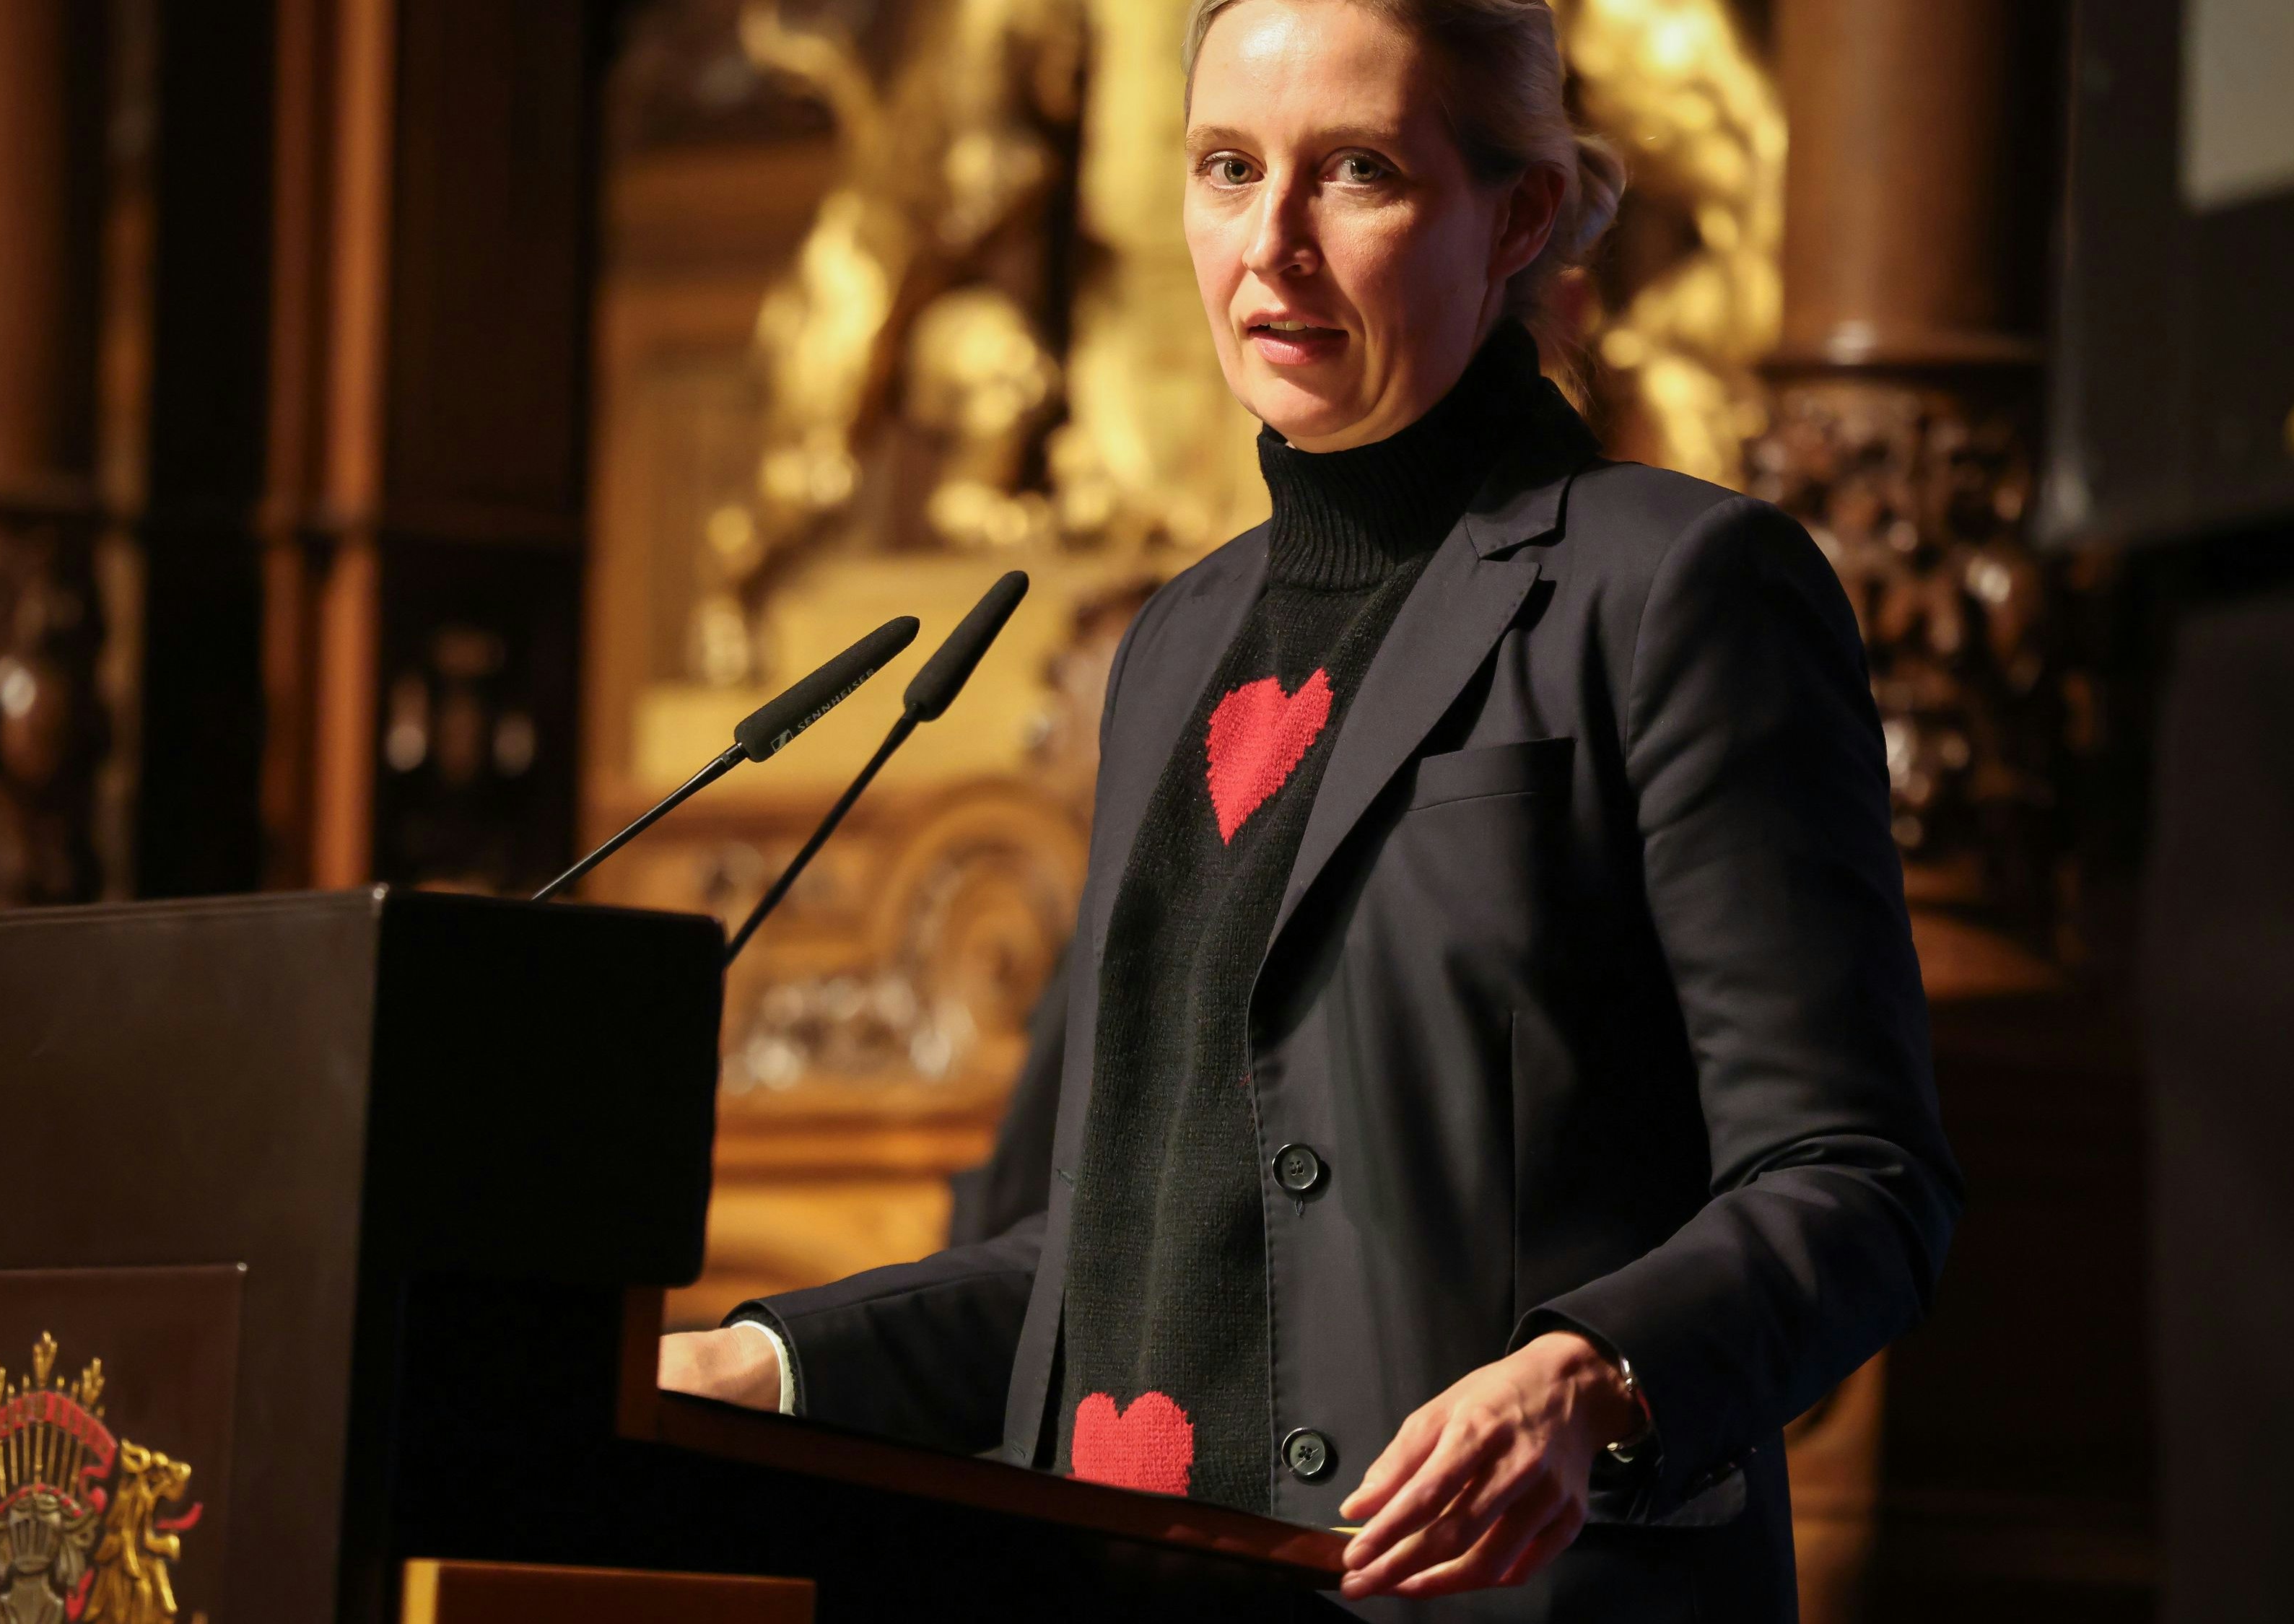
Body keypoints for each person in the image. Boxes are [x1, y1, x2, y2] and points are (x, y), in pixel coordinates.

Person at [663, 1, 1961, 1616]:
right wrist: (765, 1359)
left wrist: (1586, 1374)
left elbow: (1855, 1182)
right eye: (1224, 168)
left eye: (1353, 172)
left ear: (1519, 215)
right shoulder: (1174, 647)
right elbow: (1101, 1260)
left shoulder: (1674, 591)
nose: (1268, 244)